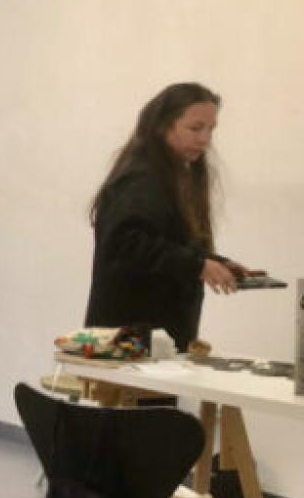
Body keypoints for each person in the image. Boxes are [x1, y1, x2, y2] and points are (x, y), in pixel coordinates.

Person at [84, 82, 243, 352]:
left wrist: (215, 263)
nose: (205, 139)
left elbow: (167, 243)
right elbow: (127, 244)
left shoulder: (171, 176)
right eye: (195, 128)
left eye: (210, 130)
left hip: (155, 339)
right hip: (130, 341)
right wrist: (198, 266)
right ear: (162, 125)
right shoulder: (141, 177)